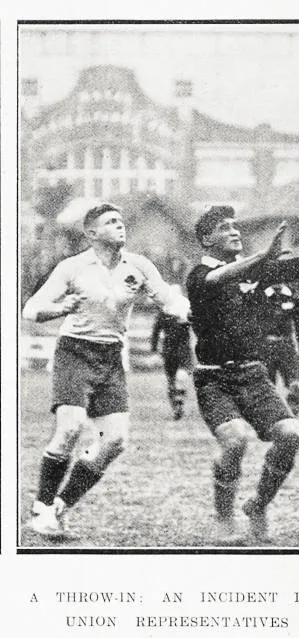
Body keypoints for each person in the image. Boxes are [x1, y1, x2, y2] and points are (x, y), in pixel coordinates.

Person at [22, 203, 189, 539]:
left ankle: (59, 508)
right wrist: (60, 308)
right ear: (92, 233)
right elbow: (31, 310)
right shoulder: (72, 267)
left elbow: (168, 300)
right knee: (70, 428)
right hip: (75, 350)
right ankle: (40, 507)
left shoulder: (139, 265)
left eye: (121, 220)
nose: (120, 225)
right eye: (111, 222)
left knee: (115, 441)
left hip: (111, 356)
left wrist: (183, 308)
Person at [186, 182, 299, 544]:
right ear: (205, 240)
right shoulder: (200, 275)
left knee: (291, 436)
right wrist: (261, 259)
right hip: (215, 379)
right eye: (223, 228)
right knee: (234, 441)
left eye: (235, 226)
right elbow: (222, 277)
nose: (233, 231)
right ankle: (224, 518)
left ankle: (258, 504)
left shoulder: (256, 270)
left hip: (253, 374)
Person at [260, 282, 299, 415]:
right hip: (265, 346)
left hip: (286, 345)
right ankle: (269, 421)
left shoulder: (290, 293)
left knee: (295, 386)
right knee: (266, 388)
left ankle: (292, 417)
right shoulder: (260, 292)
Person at [150, 288, 193, 420]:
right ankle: (177, 406)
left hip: (177, 350)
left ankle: (178, 404)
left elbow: (155, 333)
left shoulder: (184, 312)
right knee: (174, 379)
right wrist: (154, 350)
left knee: (178, 378)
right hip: (172, 350)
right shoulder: (165, 313)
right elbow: (156, 332)